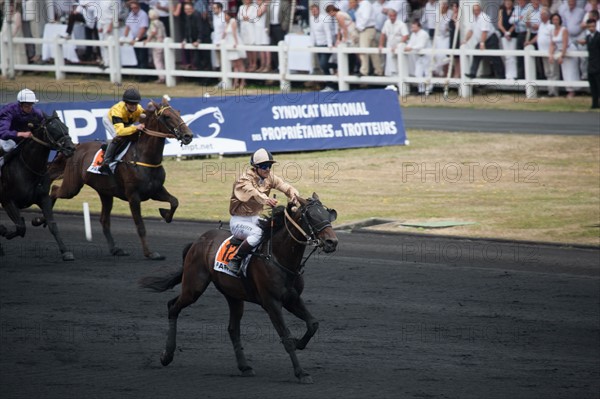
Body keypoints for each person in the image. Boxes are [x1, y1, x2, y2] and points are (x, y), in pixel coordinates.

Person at [227, 148, 300, 274]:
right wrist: (266, 200)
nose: (267, 169)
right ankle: (236, 259)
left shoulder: (269, 177)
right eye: (264, 166)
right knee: (258, 234)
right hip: (239, 221)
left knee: (276, 230)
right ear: (255, 167)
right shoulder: (243, 180)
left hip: (254, 218)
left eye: (269, 166)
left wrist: (294, 195)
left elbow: (285, 187)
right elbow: (253, 192)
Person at [99, 88, 145, 173]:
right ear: (126, 103)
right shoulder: (118, 110)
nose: (134, 106)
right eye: (131, 104)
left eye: (135, 103)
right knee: (118, 137)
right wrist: (136, 127)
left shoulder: (139, 108)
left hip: (125, 122)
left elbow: (146, 117)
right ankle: (106, 163)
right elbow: (120, 131)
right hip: (110, 121)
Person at [463, 3, 505, 79]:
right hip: (483, 39)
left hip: (491, 38)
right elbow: (470, 31)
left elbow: (484, 31)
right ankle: (473, 73)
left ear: (480, 10)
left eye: (477, 10)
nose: (476, 12)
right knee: (476, 54)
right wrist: (465, 40)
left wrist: (482, 43)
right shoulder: (473, 18)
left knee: (495, 57)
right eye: (474, 10)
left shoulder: (484, 17)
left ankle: (501, 76)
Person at [527, 7, 559, 96]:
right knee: (547, 72)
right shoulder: (541, 25)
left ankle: (554, 92)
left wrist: (552, 52)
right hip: (543, 52)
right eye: (541, 14)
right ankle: (550, 91)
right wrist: (529, 42)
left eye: (542, 14)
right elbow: (538, 36)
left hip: (551, 52)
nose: (541, 16)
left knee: (553, 72)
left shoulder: (551, 26)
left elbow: (554, 39)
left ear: (547, 16)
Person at [0, 89, 39, 160]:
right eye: (27, 105)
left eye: (31, 105)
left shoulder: (35, 112)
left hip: (17, 140)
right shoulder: (8, 111)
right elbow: (3, 133)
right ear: (20, 104)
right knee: (10, 145)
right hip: (3, 138)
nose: (29, 108)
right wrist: (20, 134)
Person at [549, 12, 578, 98]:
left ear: (560, 20)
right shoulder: (552, 31)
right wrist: (550, 55)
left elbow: (565, 44)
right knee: (565, 72)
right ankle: (569, 90)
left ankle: (573, 91)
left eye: (557, 19)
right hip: (560, 50)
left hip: (568, 50)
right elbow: (552, 44)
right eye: (553, 19)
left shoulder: (564, 29)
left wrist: (562, 56)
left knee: (571, 71)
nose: (555, 21)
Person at [309, 3, 335, 90]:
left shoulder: (324, 18)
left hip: (326, 44)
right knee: (322, 66)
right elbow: (312, 33)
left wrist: (330, 45)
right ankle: (330, 85)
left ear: (318, 10)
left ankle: (336, 67)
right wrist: (312, 45)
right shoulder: (311, 19)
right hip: (318, 45)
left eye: (315, 10)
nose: (314, 11)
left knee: (323, 64)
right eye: (312, 10)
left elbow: (328, 32)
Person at [123, 1, 150, 81]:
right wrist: (125, 38)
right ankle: (140, 76)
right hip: (134, 39)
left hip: (141, 38)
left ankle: (144, 78)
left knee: (142, 58)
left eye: (135, 8)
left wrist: (137, 39)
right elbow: (127, 26)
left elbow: (143, 28)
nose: (133, 9)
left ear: (139, 7)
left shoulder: (143, 14)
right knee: (138, 58)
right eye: (132, 8)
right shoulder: (131, 14)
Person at [356, 0, 383, 76]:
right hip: (368, 29)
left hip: (366, 29)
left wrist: (360, 27)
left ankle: (364, 71)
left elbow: (366, 17)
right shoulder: (363, 4)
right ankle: (378, 70)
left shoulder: (365, 4)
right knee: (373, 51)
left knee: (363, 50)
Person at [378, 9, 409, 76]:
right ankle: (393, 79)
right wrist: (381, 45)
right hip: (390, 44)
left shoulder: (401, 24)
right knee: (391, 62)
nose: (392, 17)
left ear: (396, 16)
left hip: (400, 45)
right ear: (388, 16)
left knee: (401, 63)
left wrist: (398, 45)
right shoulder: (386, 23)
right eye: (391, 16)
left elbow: (405, 36)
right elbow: (383, 34)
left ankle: (402, 78)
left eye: (394, 16)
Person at [404, 19, 432, 95]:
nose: (412, 29)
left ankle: (429, 90)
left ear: (419, 27)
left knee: (427, 73)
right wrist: (407, 47)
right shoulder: (413, 34)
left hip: (427, 56)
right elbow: (410, 43)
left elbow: (421, 45)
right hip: (419, 56)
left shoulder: (424, 34)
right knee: (418, 73)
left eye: (414, 27)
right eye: (412, 27)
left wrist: (411, 48)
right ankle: (421, 90)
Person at [222, 11, 247, 89]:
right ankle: (235, 82)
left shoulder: (233, 21)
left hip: (235, 42)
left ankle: (243, 82)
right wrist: (221, 41)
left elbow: (234, 33)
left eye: (226, 15)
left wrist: (236, 43)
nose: (225, 17)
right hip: (229, 43)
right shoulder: (227, 23)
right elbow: (224, 34)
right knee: (235, 65)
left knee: (240, 63)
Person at [0, 2, 27, 72]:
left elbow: (18, 25)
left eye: (11, 6)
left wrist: (13, 34)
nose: (10, 8)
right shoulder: (7, 15)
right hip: (7, 36)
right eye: (9, 6)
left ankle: (20, 69)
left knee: (17, 50)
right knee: (8, 51)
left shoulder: (17, 14)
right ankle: (9, 68)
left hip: (16, 34)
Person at [498, 0, 518, 80]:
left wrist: (509, 32)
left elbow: (515, 23)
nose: (507, 3)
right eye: (506, 1)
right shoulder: (501, 11)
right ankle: (508, 75)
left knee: (513, 55)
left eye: (509, 1)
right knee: (507, 56)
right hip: (504, 36)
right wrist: (505, 33)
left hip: (513, 35)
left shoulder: (515, 10)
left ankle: (514, 74)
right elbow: (499, 24)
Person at [584, 18, 600, 108]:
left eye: (593, 26)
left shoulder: (598, 36)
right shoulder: (588, 37)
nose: (591, 28)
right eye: (589, 26)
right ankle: (594, 104)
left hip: (598, 65)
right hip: (591, 65)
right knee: (593, 86)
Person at [238, 0, 258, 72]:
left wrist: (248, 18)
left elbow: (255, 17)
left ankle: (254, 64)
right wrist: (244, 17)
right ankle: (250, 63)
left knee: (253, 47)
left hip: (251, 29)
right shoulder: (241, 7)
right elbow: (239, 16)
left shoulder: (254, 7)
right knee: (247, 48)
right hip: (244, 29)